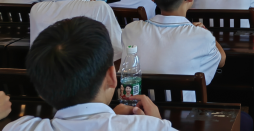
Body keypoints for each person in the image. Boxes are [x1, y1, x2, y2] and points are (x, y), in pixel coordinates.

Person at [5, 16, 176, 131]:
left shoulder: (18, 128)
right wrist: (156, 123)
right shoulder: (150, 127)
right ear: (111, 77)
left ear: (41, 92)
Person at [121, 0, 225, 97]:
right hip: (186, 111)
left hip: (139, 109)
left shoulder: (130, 30)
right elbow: (222, 60)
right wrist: (204, 30)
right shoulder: (202, 36)